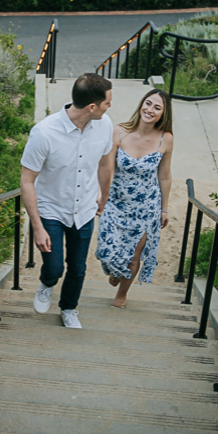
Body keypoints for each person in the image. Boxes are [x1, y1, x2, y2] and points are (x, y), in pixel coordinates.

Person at [20, 73, 114, 329]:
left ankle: (69, 308)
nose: (109, 108)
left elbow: (105, 162)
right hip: (51, 209)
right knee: (53, 268)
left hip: (84, 209)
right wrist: (37, 227)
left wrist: (103, 197)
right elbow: (27, 181)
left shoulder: (104, 125)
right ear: (92, 107)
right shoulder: (44, 133)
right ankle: (47, 283)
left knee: (78, 266)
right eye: (107, 103)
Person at [95, 89, 173, 308]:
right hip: (115, 202)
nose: (150, 110)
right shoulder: (120, 131)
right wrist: (101, 195)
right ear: (141, 104)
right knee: (107, 251)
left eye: (157, 107)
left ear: (163, 114)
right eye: (148, 103)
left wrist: (164, 209)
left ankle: (122, 294)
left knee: (134, 255)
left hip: (146, 207)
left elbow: (165, 176)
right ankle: (115, 272)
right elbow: (107, 165)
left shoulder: (165, 140)